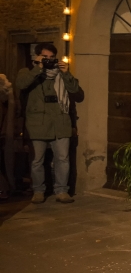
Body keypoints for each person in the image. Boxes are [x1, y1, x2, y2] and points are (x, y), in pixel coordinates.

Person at [16, 43, 79, 204]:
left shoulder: (60, 73)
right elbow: (22, 84)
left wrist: (66, 73)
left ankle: (62, 191)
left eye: (52, 58)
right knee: (37, 160)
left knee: (63, 158)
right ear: (37, 57)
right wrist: (38, 67)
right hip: (38, 122)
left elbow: (75, 91)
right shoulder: (28, 72)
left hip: (60, 120)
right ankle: (38, 191)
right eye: (45, 57)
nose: (49, 60)